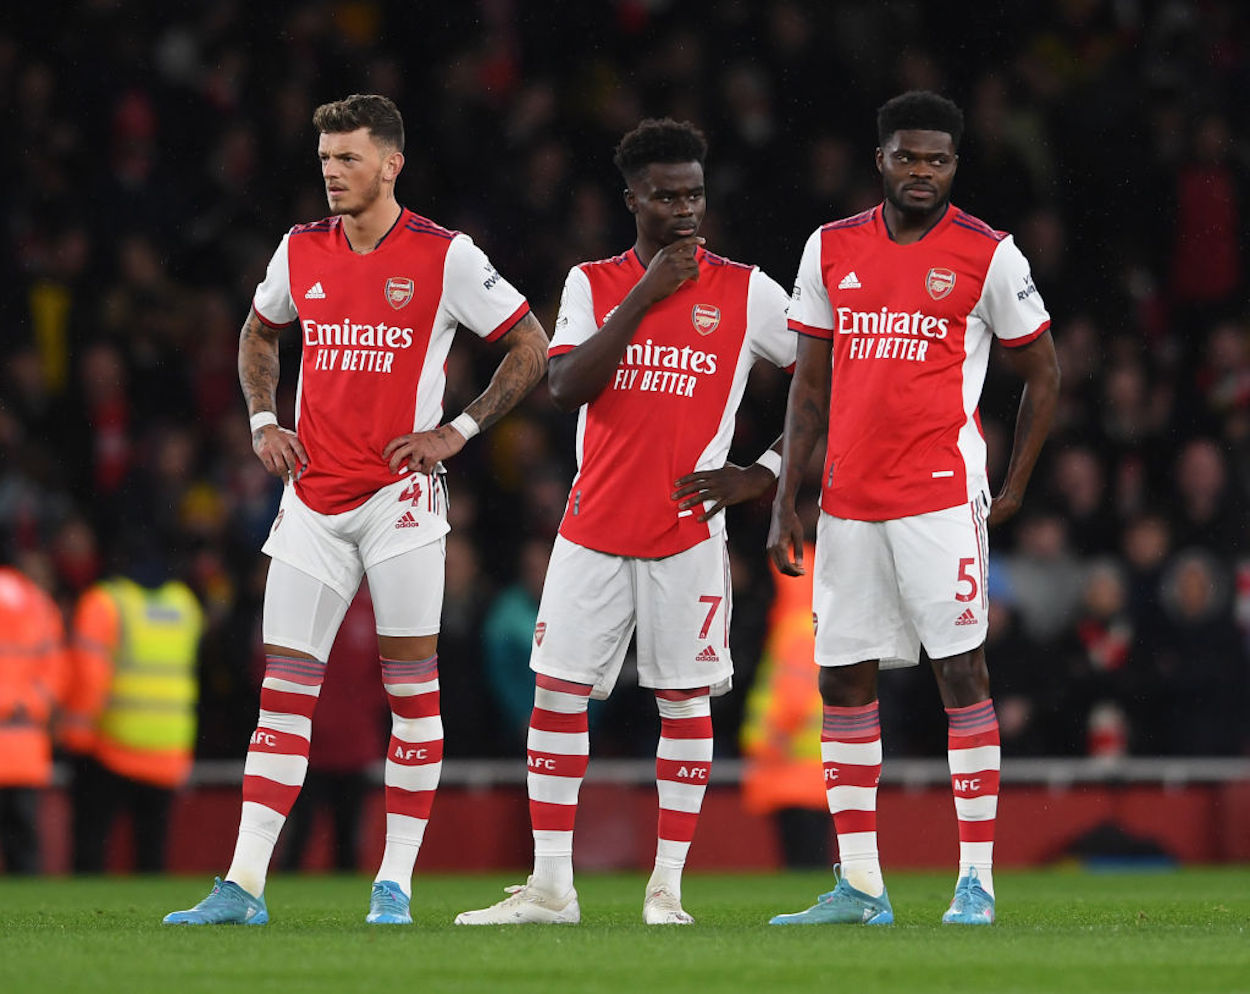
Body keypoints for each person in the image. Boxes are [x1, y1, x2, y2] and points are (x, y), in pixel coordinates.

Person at [165, 94, 548, 926]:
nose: (332, 173)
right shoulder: (300, 250)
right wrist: (266, 421)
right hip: (311, 502)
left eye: (348, 158)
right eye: (326, 159)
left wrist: (458, 429)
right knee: (283, 696)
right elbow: (258, 332)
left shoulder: (446, 257)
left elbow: (529, 343)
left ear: (391, 164)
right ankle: (243, 887)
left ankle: (394, 885)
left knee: (412, 697)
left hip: (400, 502)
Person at [456, 118, 795, 927]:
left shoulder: (748, 291)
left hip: (686, 537)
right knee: (558, 699)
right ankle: (550, 888)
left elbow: (828, 380)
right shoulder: (592, 282)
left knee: (684, 706)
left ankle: (667, 890)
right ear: (632, 199)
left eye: (695, 195)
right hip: (591, 531)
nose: (684, 210)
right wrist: (647, 295)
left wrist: (765, 473)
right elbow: (566, 385)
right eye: (666, 196)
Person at [767, 91, 1061, 927]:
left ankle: (977, 881)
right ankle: (860, 883)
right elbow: (810, 385)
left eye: (936, 159)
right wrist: (789, 496)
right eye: (907, 157)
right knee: (842, 678)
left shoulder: (988, 255)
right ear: (881, 159)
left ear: (955, 165)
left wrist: (1014, 486)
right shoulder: (830, 248)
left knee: (960, 671)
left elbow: (1044, 372)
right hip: (849, 500)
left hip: (938, 496)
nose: (921, 171)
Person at [61, 539, 203, 873]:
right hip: (169, 745)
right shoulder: (185, 604)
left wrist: (75, 736)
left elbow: (90, 679)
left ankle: (87, 919)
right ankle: (155, 922)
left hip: (114, 744)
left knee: (91, 846)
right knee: (151, 852)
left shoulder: (105, 602)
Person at [739, 542, 830, 869]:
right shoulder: (813, 626)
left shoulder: (795, 630)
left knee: (803, 865)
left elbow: (792, 696)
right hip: (812, 771)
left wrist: (772, 741)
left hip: (791, 768)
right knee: (814, 862)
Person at [0, 556, 68, 875]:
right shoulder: (40, 606)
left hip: (21, 744)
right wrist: (26, 704)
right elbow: (55, 675)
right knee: (24, 839)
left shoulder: (36, 605)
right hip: (24, 744)